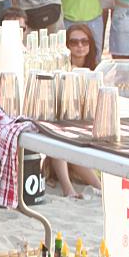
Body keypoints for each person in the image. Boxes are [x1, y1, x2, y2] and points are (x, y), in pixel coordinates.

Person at [48, 24, 101, 198]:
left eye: (84, 41)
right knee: (60, 139)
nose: (80, 46)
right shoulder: (59, 68)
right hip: (64, 122)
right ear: (67, 45)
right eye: (74, 42)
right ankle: (68, 189)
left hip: (87, 124)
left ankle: (99, 187)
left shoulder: (97, 70)